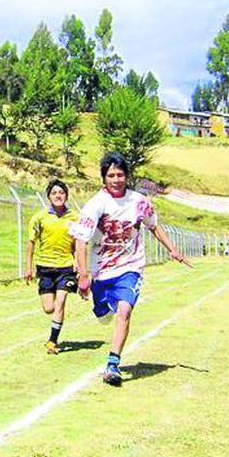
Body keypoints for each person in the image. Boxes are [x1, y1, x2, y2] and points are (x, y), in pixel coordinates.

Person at [71, 152, 191, 387]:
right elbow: (81, 240)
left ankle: (112, 364)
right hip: (101, 270)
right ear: (103, 178)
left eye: (120, 175)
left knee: (125, 310)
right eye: (111, 175)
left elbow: (154, 226)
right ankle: (103, 308)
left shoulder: (139, 202)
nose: (116, 180)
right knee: (104, 316)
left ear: (127, 176)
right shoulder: (96, 204)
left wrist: (173, 250)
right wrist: (83, 275)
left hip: (130, 267)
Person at [25, 179, 78, 355]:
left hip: (66, 267)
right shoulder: (39, 218)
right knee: (49, 308)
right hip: (45, 268)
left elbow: (79, 243)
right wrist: (28, 267)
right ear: (49, 197)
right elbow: (31, 242)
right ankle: (57, 317)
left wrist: (79, 264)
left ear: (66, 196)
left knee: (61, 301)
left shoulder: (75, 218)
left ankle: (52, 341)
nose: (58, 196)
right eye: (54, 193)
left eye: (61, 192)